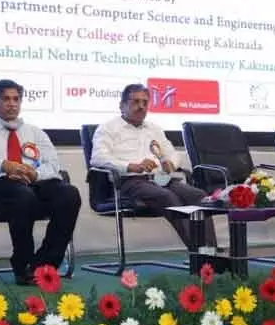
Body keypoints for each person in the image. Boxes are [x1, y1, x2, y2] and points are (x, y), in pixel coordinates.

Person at [0, 79, 81, 285]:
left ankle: (44, 264)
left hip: (35, 181)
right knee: (23, 196)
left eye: (16, 99)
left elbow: (52, 163)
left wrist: (34, 174)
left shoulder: (34, 131)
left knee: (69, 194)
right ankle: (22, 264)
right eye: (6, 99)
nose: (12, 103)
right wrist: (3, 165)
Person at [91, 83, 218, 251]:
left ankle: (211, 251)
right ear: (122, 105)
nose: (141, 106)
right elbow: (98, 158)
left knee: (198, 196)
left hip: (161, 179)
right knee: (168, 198)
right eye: (135, 102)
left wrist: (170, 163)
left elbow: (172, 153)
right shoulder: (107, 128)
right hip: (130, 182)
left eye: (145, 102)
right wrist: (130, 166)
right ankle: (200, 254)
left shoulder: (154, 129)